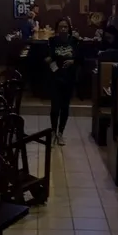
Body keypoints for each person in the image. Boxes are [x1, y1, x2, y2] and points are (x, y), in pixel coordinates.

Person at [45, 18, 80, 146]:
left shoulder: (74, 41)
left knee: (65, 107)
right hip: (55, 77)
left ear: (69, 28)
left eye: (65, 27)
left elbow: (81, 58)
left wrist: (73, 61)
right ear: (57, 29)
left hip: (69, 78)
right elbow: (48, 56)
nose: (63, 29)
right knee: (55, 107)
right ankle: (53, 131)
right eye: (61, 27)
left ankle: (60, 133)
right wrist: (49, 60)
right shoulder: (52, 41)